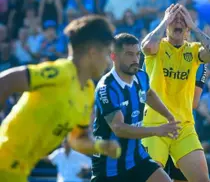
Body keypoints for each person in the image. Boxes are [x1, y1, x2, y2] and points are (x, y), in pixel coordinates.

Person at [0, 15, 121, 182]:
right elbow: (6, 81)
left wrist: (102, 146)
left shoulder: (87, 90)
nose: (109, 62)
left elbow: (77, 139)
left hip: (19, 171)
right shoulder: (62, 72)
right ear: (93, 52)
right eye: (108, 54)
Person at [141, 3, 210, 182]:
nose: (178, 22)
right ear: (167, 26)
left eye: (182, 20)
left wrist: (194, 26)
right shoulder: (158, 48)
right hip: (155, 126)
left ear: (187, 29)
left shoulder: (194, 51)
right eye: (174, 20)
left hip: (183, 126)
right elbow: (146, 47)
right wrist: (164, 21)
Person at [92, 33, 180, 182]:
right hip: (110, 168)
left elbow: (149, 94)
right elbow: (119, 128)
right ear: (114, 56)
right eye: (129, 54)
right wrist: (157, 130)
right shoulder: (106, 88)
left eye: (138, 54)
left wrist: (169, 116)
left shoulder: (141, 76)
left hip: (138, 159)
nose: (135, 59)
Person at [164, 63, 207, 181]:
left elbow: (193, 103)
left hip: (181, 128)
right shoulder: (156, 51)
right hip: (156, 128)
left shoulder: (199, 62)